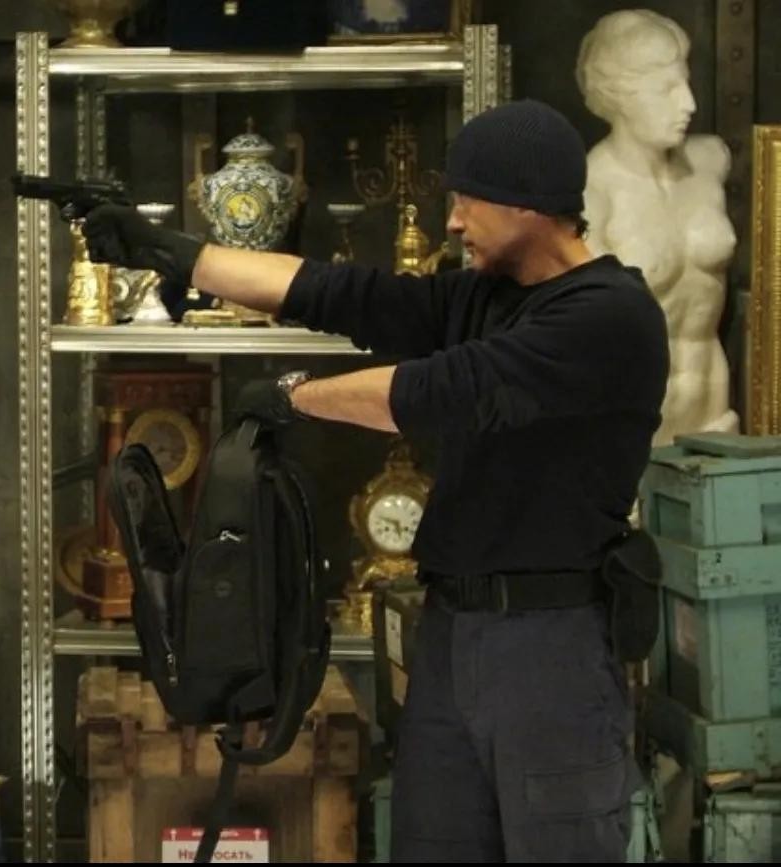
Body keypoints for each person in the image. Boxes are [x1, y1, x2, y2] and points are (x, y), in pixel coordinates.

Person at [82, 99, 669, 862]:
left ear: (526, 203)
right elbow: (338, 292)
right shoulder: (483, 296)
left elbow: (435, 392)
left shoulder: (608, 317)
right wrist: (174, 253)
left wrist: (294, 395)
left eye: (467, 200)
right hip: (453, 631)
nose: (452, 221)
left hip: (551, 645)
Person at [577, 9, 737, 446]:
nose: (689, 104)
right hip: (627, 430)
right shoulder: (592, 194)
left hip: (714, 416)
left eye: (686, 84)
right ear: (620, 95)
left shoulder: (709, 162)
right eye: (667, 90)